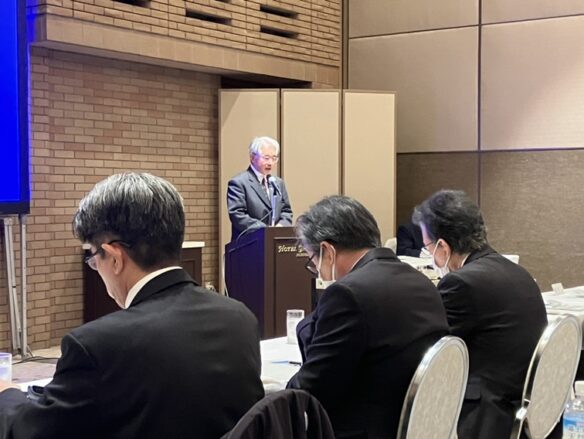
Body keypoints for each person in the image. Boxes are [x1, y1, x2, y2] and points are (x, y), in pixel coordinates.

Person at [0, 173, 264, 439]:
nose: (96, 269)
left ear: (114, 257)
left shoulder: (96, 346)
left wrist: (6, 393)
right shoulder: (240, 318)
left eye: (94, 260)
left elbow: (26, 434)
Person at [287, 195, 449, 438]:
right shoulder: (421, 282)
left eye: (313, 259)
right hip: (416, 425)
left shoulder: (347, 294)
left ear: (327, 251)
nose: (317, 270)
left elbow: (311, 390)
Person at [412, 189, 547, 439]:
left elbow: (430, 350)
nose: (429, 257)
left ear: (442, 246)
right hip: (526, 409)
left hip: (486, 413)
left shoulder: (461, 283)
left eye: (427, 247)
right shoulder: (517, 272)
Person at [227, 136, 293, 241]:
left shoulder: (277, 183)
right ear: (252, 157)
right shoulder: (239, 183)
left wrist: (280, 226)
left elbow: (286, 211)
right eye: (266, 158)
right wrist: (266, 230)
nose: (270, 162)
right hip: (249, 243)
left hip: (275, 242)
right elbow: (237, 215)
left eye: (274, 158)